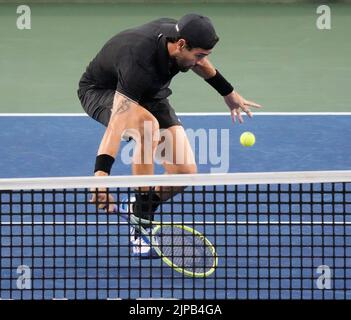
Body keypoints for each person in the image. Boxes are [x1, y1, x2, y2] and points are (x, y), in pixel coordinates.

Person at [77, 13, 261, 258]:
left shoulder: (180, 39)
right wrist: (100, 178)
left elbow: (202, 63)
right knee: (146, 128)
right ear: (181, 45)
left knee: (185, 173)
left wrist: (228, 93)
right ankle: (141, 222)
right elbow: (116, 125)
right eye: (199, 55)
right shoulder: (139, 59)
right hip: (102, 91)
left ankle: (136, 206)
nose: (201, 61)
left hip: (150, 93)